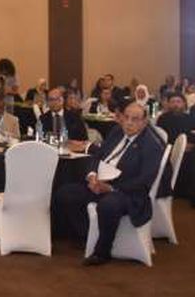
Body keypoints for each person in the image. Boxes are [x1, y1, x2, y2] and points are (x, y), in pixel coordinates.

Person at [55, 103, 164, 266]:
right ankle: (85, 234)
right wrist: (92, 176)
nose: (129, 123)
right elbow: (97, 156)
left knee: (108, 204)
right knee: (65, 193)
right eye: (126, 117)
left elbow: (144, 181)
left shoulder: (151, 145)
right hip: (101, 182)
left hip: (128, 192)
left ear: (144, 122)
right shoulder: (116, 131)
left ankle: (102, 251)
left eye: (135, 119)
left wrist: (111, 188)